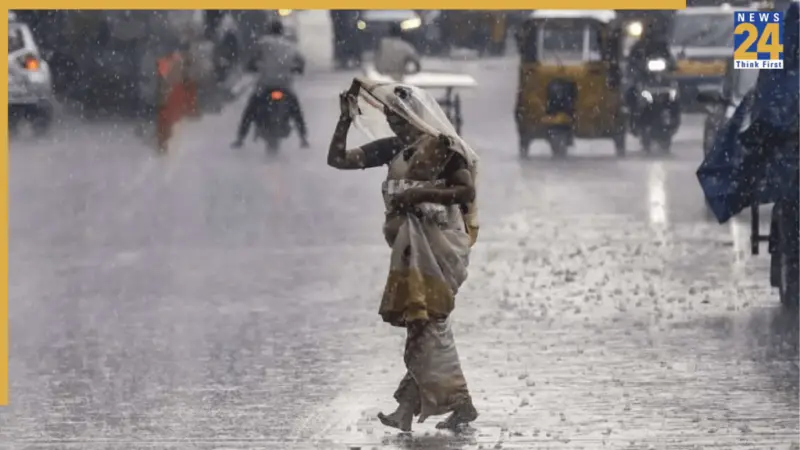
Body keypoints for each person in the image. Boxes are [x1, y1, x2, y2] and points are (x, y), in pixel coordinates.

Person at [327, 78, 480, 432]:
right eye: (392, 119)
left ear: (417, 116)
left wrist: (421, 194)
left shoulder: (443, 148)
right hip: (410, 249)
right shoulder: (392, 148)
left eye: (402, 118)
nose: (397, 125)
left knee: (425, 324)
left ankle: (422, 407)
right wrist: (345, 120)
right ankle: (444, 405)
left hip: (440, 247)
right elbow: (338, 159)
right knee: (423, 325)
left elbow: (464, 189)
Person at [232, 20, 308, 149]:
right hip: (284, 84)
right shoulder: (290, 45)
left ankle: (240, 138)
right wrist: (298, 69)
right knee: (295, 108)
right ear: (281, 31)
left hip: (265, 84)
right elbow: (301, 61)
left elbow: (251, 60)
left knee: (250, 109)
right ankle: (303, 138)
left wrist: (251, 67)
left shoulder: (262, 43)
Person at [155, 40, 198, 153]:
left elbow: (162, 77)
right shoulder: (181, 62)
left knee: (166, 119)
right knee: (170, 119)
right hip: (175, 93)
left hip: (171, 93)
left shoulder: (168, 61)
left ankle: (163, 142)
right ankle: (165, 142)